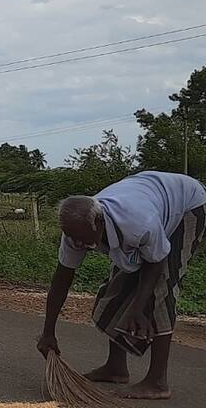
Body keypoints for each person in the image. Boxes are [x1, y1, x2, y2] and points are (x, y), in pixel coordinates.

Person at [38, 171, 206, 401]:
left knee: (160, 290)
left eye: (83, 238)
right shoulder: (75, 230)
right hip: (148, 196)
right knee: (115, 291)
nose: (78, 244)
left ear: (98, 222)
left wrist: (138, 308)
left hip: (186, 205)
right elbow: (62, 278)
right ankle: (115, 368)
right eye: (73, 238)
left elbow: (156, 263)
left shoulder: (138, 222)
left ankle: (157, 382)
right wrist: (48, 331)